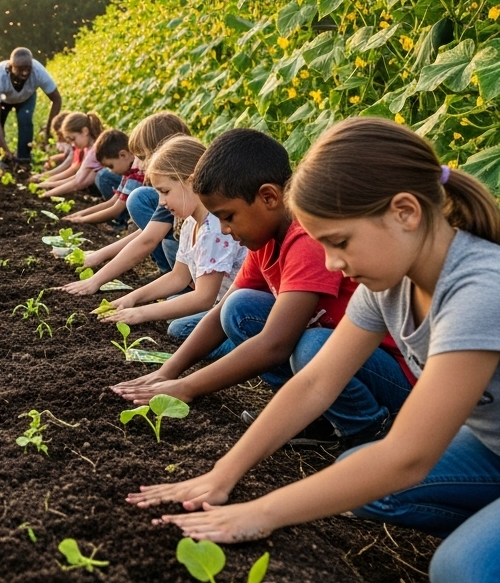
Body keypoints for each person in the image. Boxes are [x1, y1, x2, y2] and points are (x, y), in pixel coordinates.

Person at [136, 118, 500, 583]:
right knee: (361, 475)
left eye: (340, 242)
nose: (332, 262)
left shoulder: (482, 289)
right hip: (492, 446)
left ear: (405, 213)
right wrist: (225, 474)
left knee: (465, 579)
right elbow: (314, 383)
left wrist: (262, 512)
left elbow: (408, 457)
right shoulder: (388, 283)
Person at [112, 128, 412, 453]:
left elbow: (275, 346)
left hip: (393, 379)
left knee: (311, 346)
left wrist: (186, 387)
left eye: (229, 217)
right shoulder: (265, 244)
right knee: (239, 308)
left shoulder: (306, 239)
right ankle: (318, 419)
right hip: (338, 364)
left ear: (269, 197)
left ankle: (370, 430)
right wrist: (166, 372)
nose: (225, 230)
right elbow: (218, 314)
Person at [98, 136, 246, 339]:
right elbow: (178, 277)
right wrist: (132, 299)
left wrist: (141, 313)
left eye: (165, 191)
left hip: (232, 310)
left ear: (192, 181)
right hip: (217, 303)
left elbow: (203, 298)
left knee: (178, 328)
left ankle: (238, 345)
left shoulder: (214, 229)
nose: (162, 202)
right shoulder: (191, 222)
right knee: (173, 301)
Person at [61, 112, 191, 296]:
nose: (137, 164)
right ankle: (173, 278)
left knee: (140, 200)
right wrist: (98, 256)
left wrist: (95, 281)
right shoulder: (175, 188)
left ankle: (177, 281)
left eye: (143, 156)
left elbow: (148, 239)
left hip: (207, 280)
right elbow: (148, 232)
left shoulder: (181, 190)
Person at [0, 47, 62, 164]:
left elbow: (56, 99)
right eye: (20, 69)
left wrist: (49, 131)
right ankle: (1, 158)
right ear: (11, 68)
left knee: (25, 119)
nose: (25, 73)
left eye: (28, 69)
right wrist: (5, 149)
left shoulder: (38, 71)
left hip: (27, 97)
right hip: (3, 101)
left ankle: (24, 159)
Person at [65, 128, 141, 227]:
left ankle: (124, 223)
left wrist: (82, 220)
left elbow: (116, 210)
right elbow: (113, 201)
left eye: (110, 166)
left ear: (123, 155)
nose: (110, 171)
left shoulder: (137, 173)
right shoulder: (129, 171)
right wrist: (79, 215)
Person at [37, 112, 104, 196]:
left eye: (73, 139)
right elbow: (79, 176)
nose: (72, 144)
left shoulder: (94, 150)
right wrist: (49, 183)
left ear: (85, 131)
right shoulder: (88, 148)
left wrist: (48, 191)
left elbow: (78, 182)